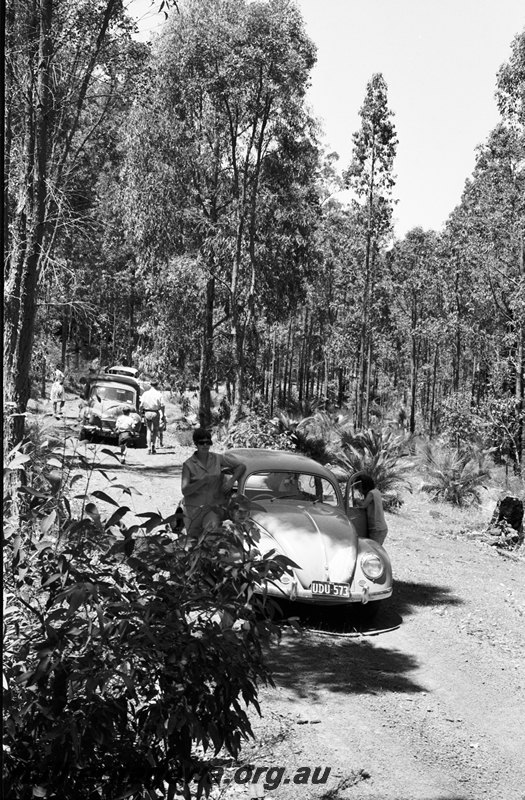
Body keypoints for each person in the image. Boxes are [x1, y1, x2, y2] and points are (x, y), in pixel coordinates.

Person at [181, 428, 246, 536]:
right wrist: (202, 481)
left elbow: (241, 466)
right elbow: (185, 491)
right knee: (193, 542)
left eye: (208, 442)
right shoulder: (188, 465)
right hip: (193, 511)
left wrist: (231, 481)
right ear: (196, 444)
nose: (205, 445)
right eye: (202, 443)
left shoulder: (217, 458)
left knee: (211, 538)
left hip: (213, 508)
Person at [356, 475, 388, 545]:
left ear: (365, 486)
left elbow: (363, 505)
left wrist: (357, 500)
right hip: (380, 528)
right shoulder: (376, 491)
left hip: (377, 528)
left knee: (374, 549)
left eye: (360, 487)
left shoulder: (371, 493)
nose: (359, 490)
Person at [139, 378, 165, 454]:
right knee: (156, 430)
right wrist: (163, 415)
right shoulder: (159, 394)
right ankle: (153, 445)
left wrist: (141, 412)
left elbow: (141, 405)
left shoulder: (145, 393)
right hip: (155, 413)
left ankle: (149, 447)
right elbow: (162, 405)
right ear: (157, 385)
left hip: (147, 412)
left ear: (150, 385)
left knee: (148, 430)